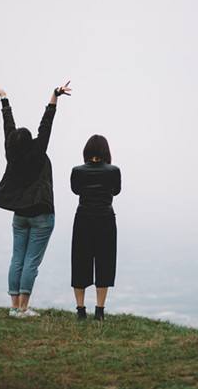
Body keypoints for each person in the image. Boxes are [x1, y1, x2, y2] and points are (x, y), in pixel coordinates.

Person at [0, 80, 72, 318]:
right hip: (42, 215)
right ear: (31, 141)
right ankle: (23, 308)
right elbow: (47, 123)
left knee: (17, 258)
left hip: (20, 216)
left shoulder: (11, 154)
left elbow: (8, 127)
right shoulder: (38, 150)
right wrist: (55, 95)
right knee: (31, 262)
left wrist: (4, 99)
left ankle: (14, 307)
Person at [70, 135, 121, 321]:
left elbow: (76, 190)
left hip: (83, 218)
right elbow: (116, 191)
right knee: (104, 263)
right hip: (106, 219)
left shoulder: (77, 171)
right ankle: (99, 311)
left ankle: (80, 310)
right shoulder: (113, 171)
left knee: (80, 262)